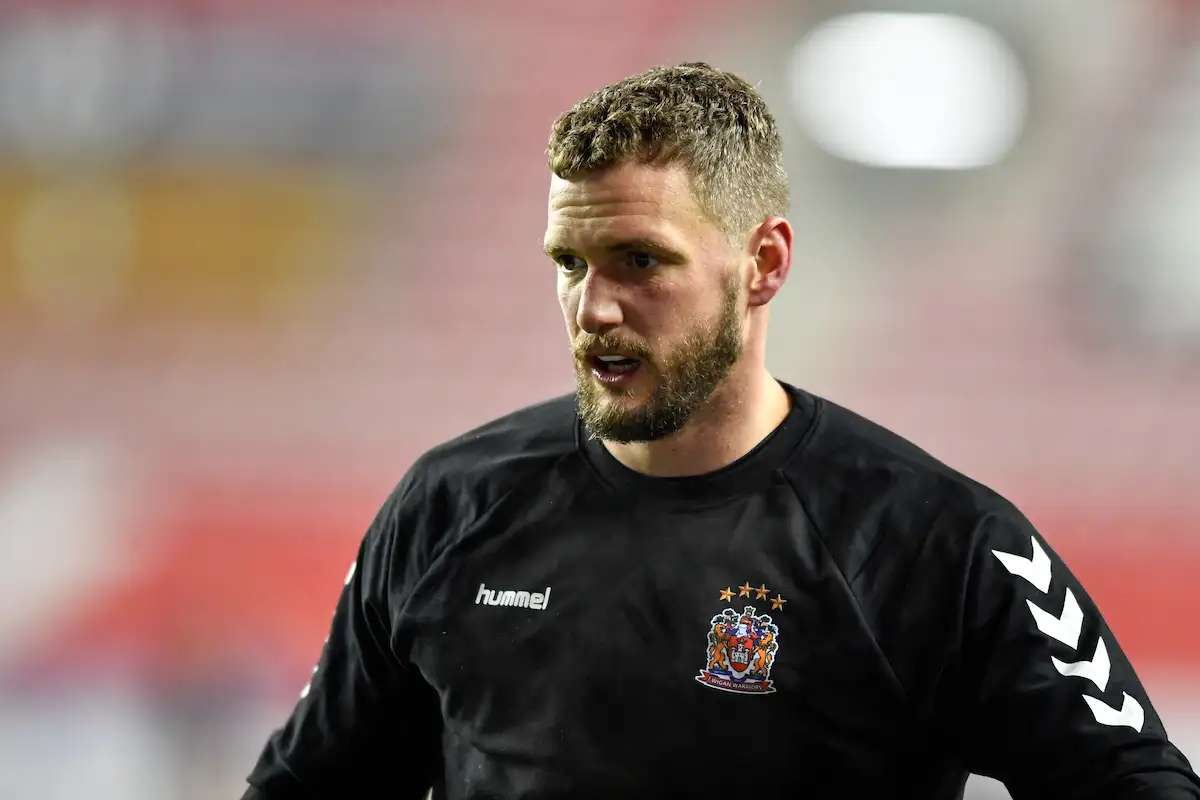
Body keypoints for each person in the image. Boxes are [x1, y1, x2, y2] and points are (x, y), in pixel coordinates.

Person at [241, 62, 1199, 799]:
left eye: (639, 261)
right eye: (570, 262)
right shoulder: (448, 506)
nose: (593, 308)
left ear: (764, 263)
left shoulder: (931, 541)